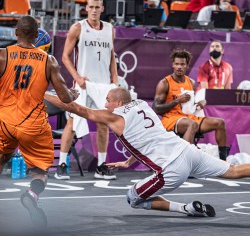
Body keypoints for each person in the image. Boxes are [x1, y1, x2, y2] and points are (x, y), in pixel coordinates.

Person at [45, 87, 250, 217]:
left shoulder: (115, 117)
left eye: (107, 100)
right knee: (233, 170)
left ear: (118, 103)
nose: (105, 104)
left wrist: (42, 94)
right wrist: (128, 162)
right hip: (188, 151)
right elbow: (147, 136)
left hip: (171, 169)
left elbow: (81, 110)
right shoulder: (143, 104)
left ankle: (185, 208)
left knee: (133, 198)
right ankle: (190, 208)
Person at [0, 16, 79, 227]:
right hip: (33, 125)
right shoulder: (48, 60)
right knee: (39, 171)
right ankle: (32, 195)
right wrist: (73, 94)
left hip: (5, 122)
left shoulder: (2, 55)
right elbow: (64, 98)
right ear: (37, 36)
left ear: (15, 32)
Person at [54, 0, 118, 180]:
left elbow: (112, 55)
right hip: (83, 85)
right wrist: (77, 78)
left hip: (104, 85)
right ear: (86, 8)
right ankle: (62, 165)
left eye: (97, 7)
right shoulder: (78, 28)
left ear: (102, 9)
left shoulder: (109, 29)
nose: (94, 10)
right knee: (72, 123)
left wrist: (115, 79)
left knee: (103, 124)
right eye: (91, 7)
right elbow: (65, 56)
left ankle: (101, 166)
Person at [152, 49, 228, 160]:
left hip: (188, 117)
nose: (179, 67)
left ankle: (223, 161)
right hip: (170, 119)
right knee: (192, 124)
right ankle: (185, 162)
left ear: (187, 66)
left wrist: (199, 104)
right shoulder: (164, 83)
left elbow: (191, 105)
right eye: (177, 64)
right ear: (173, 64)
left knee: (220, 123)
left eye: (182, 64)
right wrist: (177, 101)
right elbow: (156, 108)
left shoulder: (191, 82)